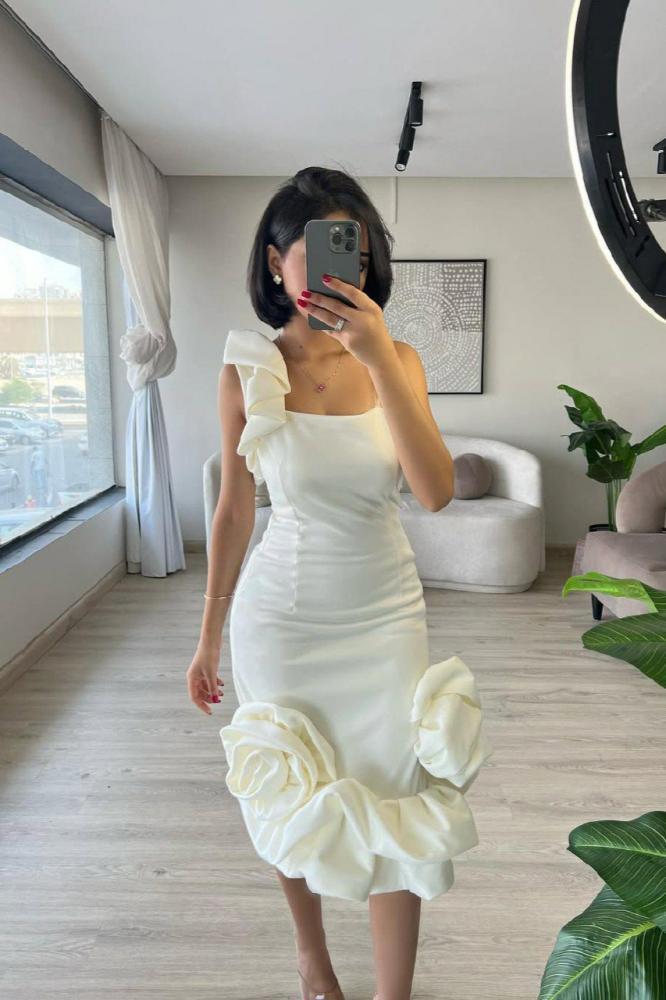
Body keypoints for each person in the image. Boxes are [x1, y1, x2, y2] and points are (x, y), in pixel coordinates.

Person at [186, 166, 492, 1000]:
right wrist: (207, 636)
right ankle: (313, 961)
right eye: (316, 250)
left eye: (352, 253)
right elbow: (234, 510)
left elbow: (435, 491)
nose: (338, 270)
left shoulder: (399, 359)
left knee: (398, 794)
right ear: (276, 260)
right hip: (281, 617)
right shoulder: (246, 371)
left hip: (385, 614)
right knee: (291, 783)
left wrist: (379, 359)